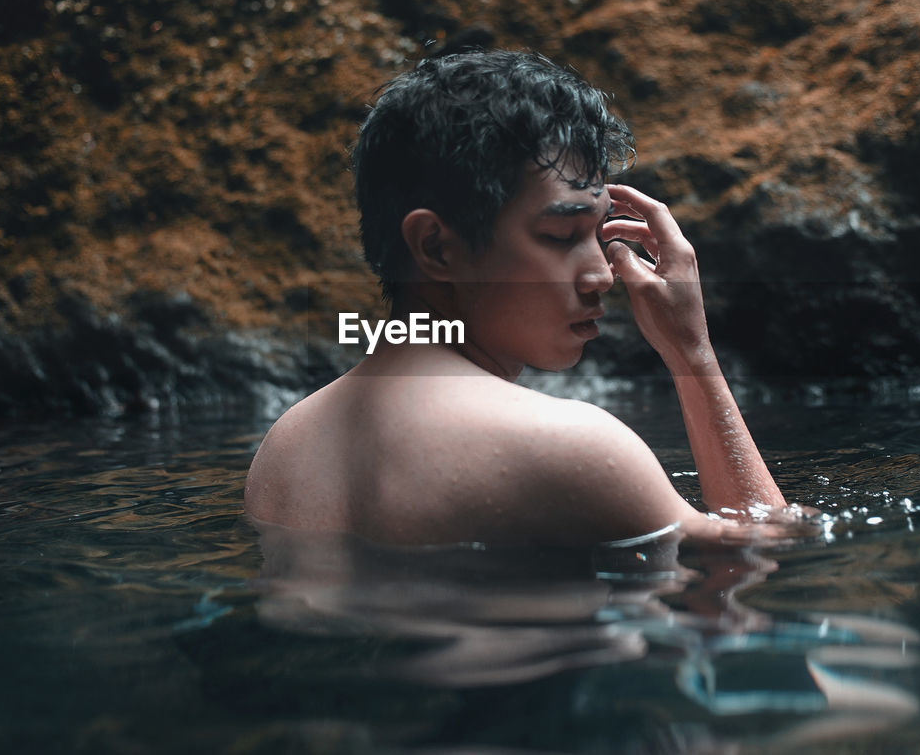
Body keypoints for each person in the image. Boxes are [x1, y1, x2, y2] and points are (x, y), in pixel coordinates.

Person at [245, 50, 787, 546]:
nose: (603, 275)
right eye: (559, 237)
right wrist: (692, 354)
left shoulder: (285, 446)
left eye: (600, 236)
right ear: (436, 247)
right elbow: (764, 564)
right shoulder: (572, 446)